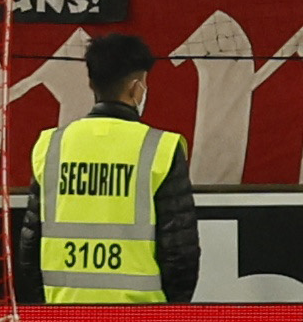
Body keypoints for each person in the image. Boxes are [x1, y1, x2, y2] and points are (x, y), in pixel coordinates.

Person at [22, 32, 195, 304]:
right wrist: (169, 314)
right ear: (137, 87)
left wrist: (45, 312)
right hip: (141, 320)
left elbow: (30, 246)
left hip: (63, 317)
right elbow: (180, 252)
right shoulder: (161, 147)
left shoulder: (51, 145)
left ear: (92, 83)